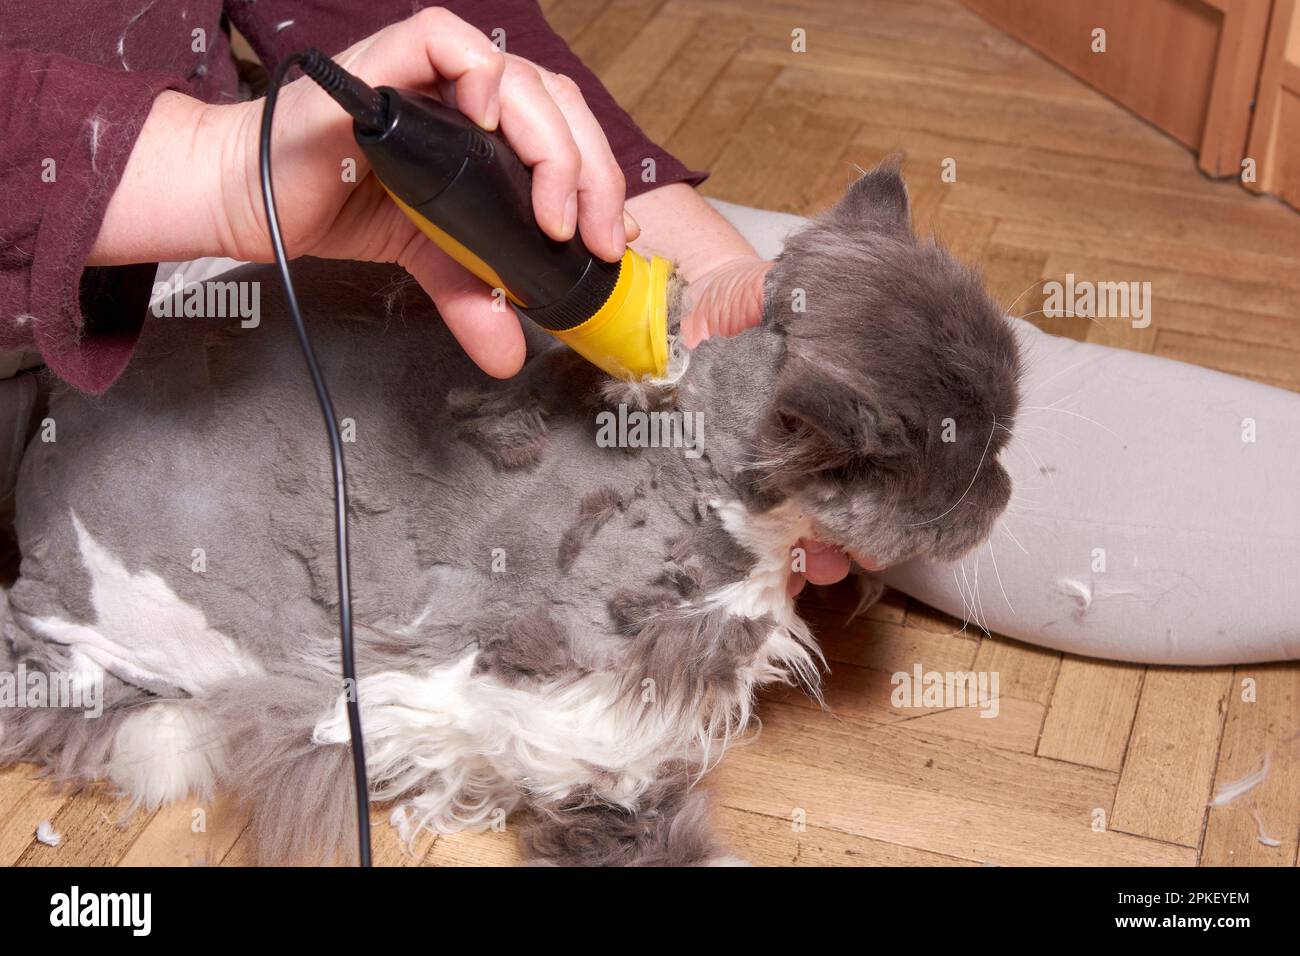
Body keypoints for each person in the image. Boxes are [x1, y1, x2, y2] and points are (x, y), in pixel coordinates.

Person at [3, 3, 1297, 664]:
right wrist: (206, 173)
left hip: (243, 204)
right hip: (69, 322)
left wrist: (714, 266)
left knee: (952, 431)